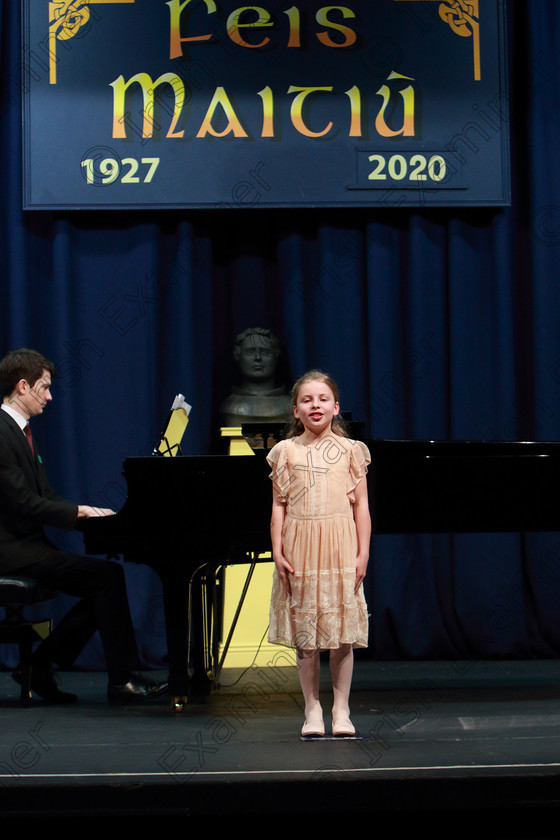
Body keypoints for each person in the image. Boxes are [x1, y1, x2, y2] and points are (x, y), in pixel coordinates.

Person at [0, 347, 167, 704]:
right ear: (23, 386)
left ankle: (43, 666)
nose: (49, 396)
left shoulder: (21, 432)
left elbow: (43, 495)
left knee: (104, 581)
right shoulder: (2, 432)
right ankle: (118, 681)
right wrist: (80, 513)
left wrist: (87, 513)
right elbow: (22, 502)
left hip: (25, 546)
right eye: (44, 388)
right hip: (11, 551)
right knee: (106, 578)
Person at [267, 369, 371, 738]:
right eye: (307, 400)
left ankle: (341, 709)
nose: (315, 405)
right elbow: (278, 506)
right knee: (306, 634)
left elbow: (362, 508)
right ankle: (312, 710)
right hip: (301, 546)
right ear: (295, 410)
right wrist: (277, 550)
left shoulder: (350, 451)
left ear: (335, 407)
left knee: (342, 633)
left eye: (323, 399)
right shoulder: (285, 452)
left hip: (340, 545)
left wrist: (363, 555)